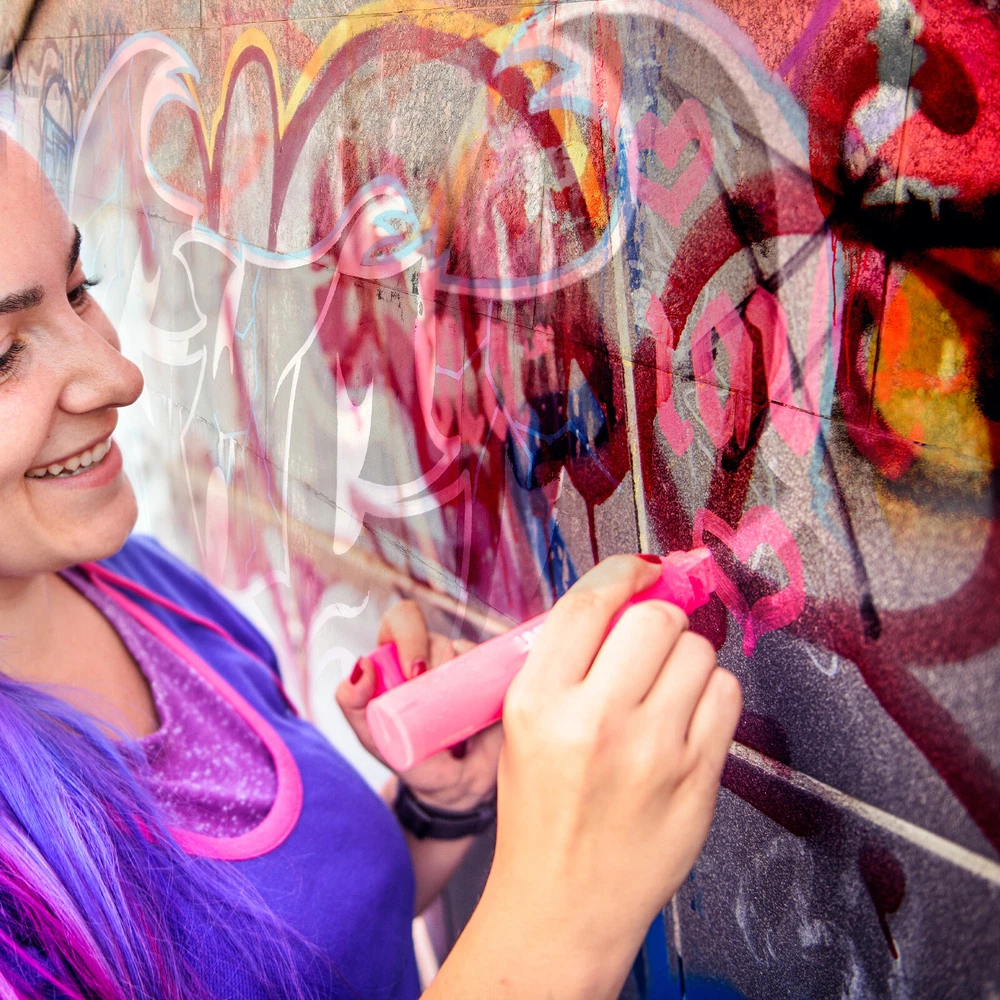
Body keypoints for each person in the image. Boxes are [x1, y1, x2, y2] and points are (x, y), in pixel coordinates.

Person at [0, 132, 742, 1000]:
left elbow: (297, 961)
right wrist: (560, 916)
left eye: (79, 291)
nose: (117, 376)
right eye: (2, 355)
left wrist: (436, 811)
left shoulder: (139, 584)